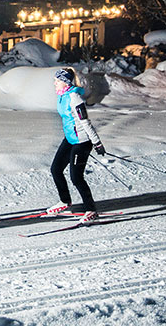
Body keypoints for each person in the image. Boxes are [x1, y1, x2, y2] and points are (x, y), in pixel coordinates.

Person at [46, 67, 106, 223]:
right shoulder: (62, 96)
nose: (54, 83)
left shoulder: (74, 98)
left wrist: (97, 142)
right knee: (56, 169)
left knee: (76, 177)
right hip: (70, 139)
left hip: (82, 141)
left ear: (65, 82)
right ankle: (65, 201)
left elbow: (85, 122)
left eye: (57, 80)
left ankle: (91, 210)